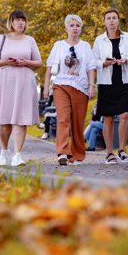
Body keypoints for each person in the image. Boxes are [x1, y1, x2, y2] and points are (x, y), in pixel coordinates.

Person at [0, 10, 43, 166]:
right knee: (4, 121)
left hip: (25, 81)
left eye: (23, 20)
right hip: (5, 82)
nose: (21, 23)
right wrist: (6, 62)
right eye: (18, 20)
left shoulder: (30, 40)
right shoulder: (2, 38)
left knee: (21, 119)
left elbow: (38, 63)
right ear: (11, 22)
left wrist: (25, 62)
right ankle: (4, 151)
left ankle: (17, 155)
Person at [43, 14, 97, 165]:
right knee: (63, 118)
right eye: (72, 26)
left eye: (77, 26)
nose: (75, 28)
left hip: (81, 87)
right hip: (61, 86)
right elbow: (49, 67)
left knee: (78, 122)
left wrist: (92, 86)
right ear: (66, 28)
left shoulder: (85, 46)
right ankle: (62, 152)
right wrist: (46, 87)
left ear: (81, 28)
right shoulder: (59, 45)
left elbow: (90, 67)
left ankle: (77, 154)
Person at [91, 8, 128, 164]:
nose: (111, 20)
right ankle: (109, 153)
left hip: (125, 81)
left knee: (125, 115)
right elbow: (93, 61)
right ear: (104, 22)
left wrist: (126, 60)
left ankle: (122, 150)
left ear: (118, 20)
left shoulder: (127, 38)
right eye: (108, 18)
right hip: (106, 83)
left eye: (114, 18)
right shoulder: (99, 40)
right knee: (109, 118)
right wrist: (104, 63)